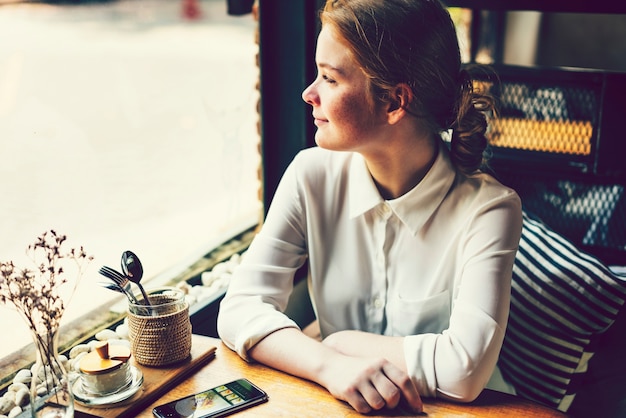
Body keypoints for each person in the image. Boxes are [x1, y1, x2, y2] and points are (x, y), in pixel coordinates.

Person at [217, 0, 523, 414]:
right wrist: (330, 366)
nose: (308, 94)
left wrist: (340, 343)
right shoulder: (311, 174)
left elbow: (464, 373)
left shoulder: (490, 210)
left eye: (329, 78)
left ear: (395, 102)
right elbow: (237, 308)